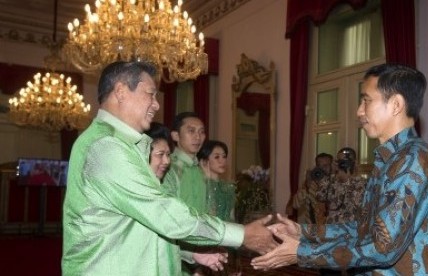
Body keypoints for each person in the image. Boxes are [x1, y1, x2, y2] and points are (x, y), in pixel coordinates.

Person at [61, 61, 277, 276]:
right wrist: (241, 235)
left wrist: (190, 255)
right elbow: (162, 212)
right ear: (120, 91)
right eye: (151, 94)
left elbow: (144, 229)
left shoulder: (120, 144)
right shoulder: (106, 147)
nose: (156, 105)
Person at [251, 63, 428, 275]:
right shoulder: (391, 159)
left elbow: (383, 249)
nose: (359, 110)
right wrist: (304, 232)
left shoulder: (413, 159)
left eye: (366, 100)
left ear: (396, 105)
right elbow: (362, 230)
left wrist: (302, 252)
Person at [145, 122, 229, 273]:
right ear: (176, 135)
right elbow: (171, 221)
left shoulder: (199, 172)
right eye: (160, 155)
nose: (166, 161)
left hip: (192, 247)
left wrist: (195, 254)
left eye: (201, 132)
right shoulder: (171, 173)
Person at [316, 147, 366, 224]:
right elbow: (320, 206)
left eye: (345, 161)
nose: (342, 164)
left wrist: (348, 178)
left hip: (352, 231)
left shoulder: (362, 183)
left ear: (354, 162)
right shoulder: (328, 181)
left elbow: (361, 210)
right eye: (339, 161)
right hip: (331, 229)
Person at [286, 153, 333, 224]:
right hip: (314, 228)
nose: (323, 169)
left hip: (333, 226)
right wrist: (307, 184)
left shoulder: (336, 182)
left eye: (326, 166)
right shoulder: (311, 184)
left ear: (332, 166)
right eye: (320, 166)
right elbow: (296, 204)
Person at [197, 140, 236, 222]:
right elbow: (208, 215)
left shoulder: (229, 187)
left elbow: (232, 216)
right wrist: (207, 181)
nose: (222, 161)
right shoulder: (200, 184)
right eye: (217, 157)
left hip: (229, 231)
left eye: (224, 156)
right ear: (204, 161)